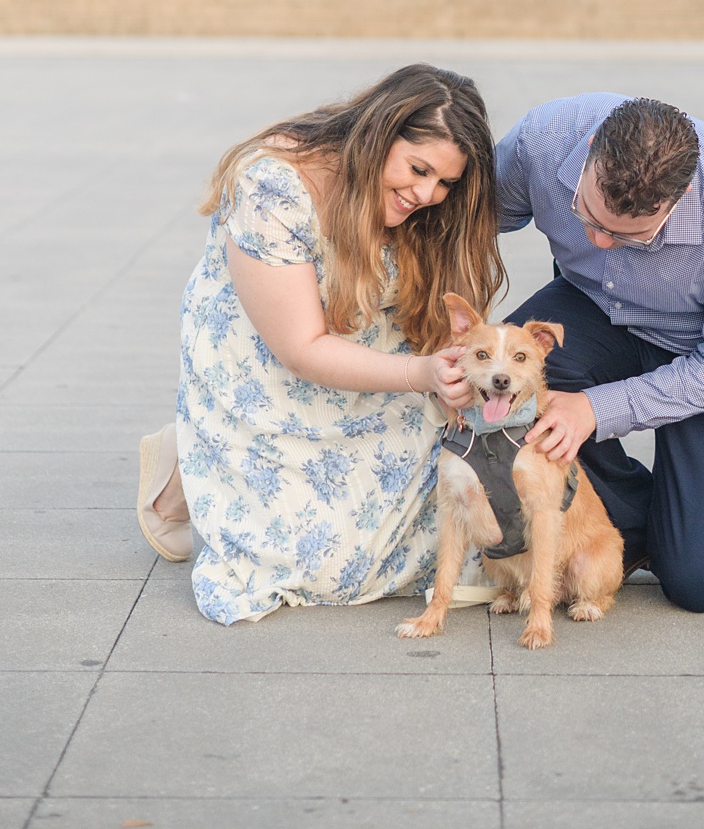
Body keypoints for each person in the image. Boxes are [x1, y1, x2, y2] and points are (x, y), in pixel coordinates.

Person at [135, 66, 504, 623]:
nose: (427, 194)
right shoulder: (274, 184)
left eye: (445, 183)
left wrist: (448, 370)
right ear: (381, 136)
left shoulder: (424, 205)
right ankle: (189, 455)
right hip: (269, 357)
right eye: (418, 169)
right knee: (320, 560)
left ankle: (209, 453)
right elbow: (302, 348)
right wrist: (422, 375)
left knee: (450, 525)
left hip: (370, 345)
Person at [499, 94, 704, 613]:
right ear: (594, 149)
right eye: (588, 216)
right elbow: (467, 224)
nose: (597, 242)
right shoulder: (543, 140)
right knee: (511, 384)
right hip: (596, 305)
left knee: (698, 579)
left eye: (626, 235)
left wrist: (595, 408)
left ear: (679, 196)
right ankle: (645, 522)